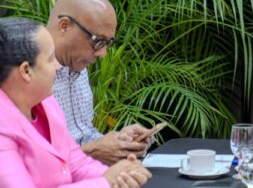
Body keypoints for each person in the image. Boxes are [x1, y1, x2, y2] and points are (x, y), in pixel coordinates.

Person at [0, 17, 151, 188]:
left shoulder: (47, 103)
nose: (58, 66)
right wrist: (105, 182)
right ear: (26, 71)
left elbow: (76, 164)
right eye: (50, 59)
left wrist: (122, 174)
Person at [47, 0, 150, 165]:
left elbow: (85, 135)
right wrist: (92, 151)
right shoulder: (25, 74)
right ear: (64, 26)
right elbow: (33, 161)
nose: (102, 53)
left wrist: (119, 141)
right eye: (98, 41)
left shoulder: (78, 65)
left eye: (108, 43)